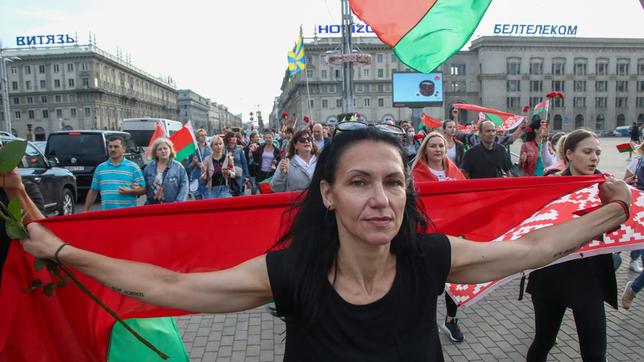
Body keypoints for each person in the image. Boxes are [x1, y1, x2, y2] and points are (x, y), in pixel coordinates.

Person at [16, 124, 631, 361]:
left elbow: (530, 251)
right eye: (359, 182)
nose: (381, 199)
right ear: (329, 194)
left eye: (393, 182)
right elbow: (169, 285)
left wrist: (605, 217)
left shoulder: (432, 258)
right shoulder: (291, 272)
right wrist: (61, 251)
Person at [526, 129, 618, 362]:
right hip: (552, 276)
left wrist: (618, 205)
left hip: (589, 279)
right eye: (587, 152)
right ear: (569, 154)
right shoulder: (552, 186)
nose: (594, 158)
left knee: (595, 354)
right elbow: (535, 228)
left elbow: (615, 232)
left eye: (597, 152)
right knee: (543, 342)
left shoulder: (607, 187)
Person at [410, 132, 465, 342]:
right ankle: (425, 323)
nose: (438, 150)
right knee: (430, 280)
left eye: (441, 146)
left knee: (453, 277)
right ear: (425, 149)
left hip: (452, 232)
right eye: (433, 146)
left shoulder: (453, 169)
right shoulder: (416, 173)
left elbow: (465, 195)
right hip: (427, 235)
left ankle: (451, 321)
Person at [83, 135, 146, 211]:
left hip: (128, 214)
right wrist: (86, 209)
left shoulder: (133, 167)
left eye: (116, 147)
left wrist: (131, 191)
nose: (112, 149)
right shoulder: (100, 168)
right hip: (107, 215)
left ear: (123, 149)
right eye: (110, 147)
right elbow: (93, 190)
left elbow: (143, 190)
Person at [142, 138, 189, 204]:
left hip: (172, 207)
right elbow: (142, 186)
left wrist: (178, 203)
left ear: (170, 150)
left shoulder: (178, 167)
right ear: (156, 152)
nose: (163, 151)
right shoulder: (148, 168)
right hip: (152, 207)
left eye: (165, 148)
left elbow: (184, 187)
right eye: (160, 149)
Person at [623, 142, 644, 273]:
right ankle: (632, 260)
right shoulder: (637, 161)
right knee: (638, 232)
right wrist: (629, 181)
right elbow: (625, 180)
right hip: (640, 201)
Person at [187, 129, 211, 200]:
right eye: (201, 135)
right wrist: (194, 163)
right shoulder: (193, 149)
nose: (204, 136)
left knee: (208, 201)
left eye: (205, 135)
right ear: (197, 138)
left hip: (208, 179)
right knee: (198, 201)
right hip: (196, 179)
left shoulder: (210, 148)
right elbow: (188, 168)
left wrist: (205, 165)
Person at [224, 132, 249, 196]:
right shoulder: (223, 149)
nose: (235, 138)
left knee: (239, 192)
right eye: (233, 137)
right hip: (228, 175)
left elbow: (244, 163)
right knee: (229, 194)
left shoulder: (239, 149)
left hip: (239, 175)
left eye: (235, 137)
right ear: (228, 138)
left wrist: (246, 176)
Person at [244, 131, 261, 195]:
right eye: (256, 137)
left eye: (258, 137)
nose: (258, 138)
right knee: (254, 186)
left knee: (259, 185)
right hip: (251, 169)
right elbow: (246, 159)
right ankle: (253, 199)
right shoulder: (248, 147)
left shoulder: (260, 146)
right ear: (252, 138)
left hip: (259, 169)